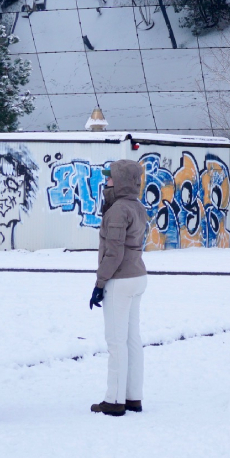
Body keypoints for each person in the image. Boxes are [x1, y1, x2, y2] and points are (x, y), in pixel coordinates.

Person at [89, 158, 147, 416]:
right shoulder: (137, 206)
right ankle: (133, 396)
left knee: (116, 341)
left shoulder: (117, 210)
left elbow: (113, 252)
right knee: (132, 339)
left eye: (110, 177)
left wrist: (100, 283)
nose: (107, 181)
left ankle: (113, 400)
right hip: (138, 276)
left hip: (120, 279)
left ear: (121, 181)